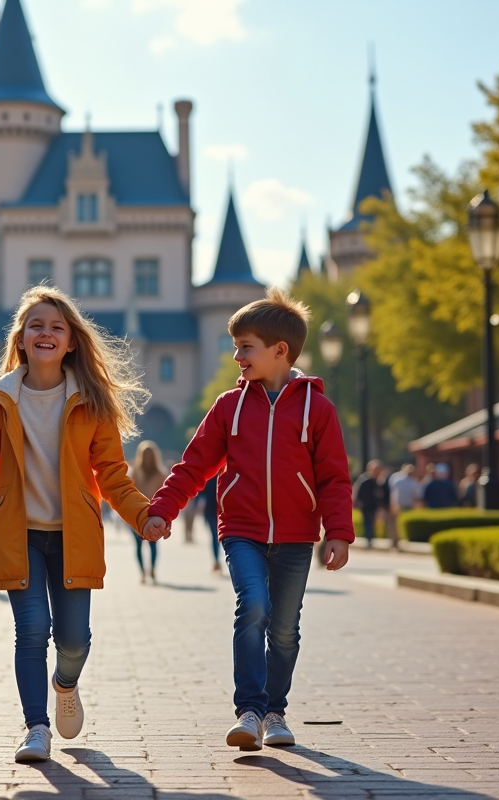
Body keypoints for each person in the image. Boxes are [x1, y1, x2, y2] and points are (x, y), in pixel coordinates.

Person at [0, 285, 167, 764]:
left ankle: (66, 683)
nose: (46, 333)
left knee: (74, 641)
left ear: (72, 341)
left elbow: (112, 474)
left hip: (74, 534)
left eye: (57, 326)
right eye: (35, 324)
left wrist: (144, 514)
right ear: (20, 339)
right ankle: (36, 727)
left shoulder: (90, 401)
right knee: (32, 630)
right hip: (20, 534)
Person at [144, 287, 353, 753]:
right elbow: (194, 464)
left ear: (280, 351)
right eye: (235, 346)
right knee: (253, 606)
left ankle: (276, 711)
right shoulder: (228, 406)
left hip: (298, 537)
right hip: (242, 532)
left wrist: (338, 532)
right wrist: (162, 508)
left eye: (245, 347)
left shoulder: (318, 409)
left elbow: (335, 477)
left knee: (284, 629)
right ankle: (250, 711)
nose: (236, 355)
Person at [130, 440, 166, 584]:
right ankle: (142, 572)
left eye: (150, 455)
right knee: (138, 545)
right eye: (145, 455)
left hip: (155, 513)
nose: (148, 458)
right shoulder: (135, 473)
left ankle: (152, 570)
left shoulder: (161, 474)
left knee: (153, 543)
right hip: (137, 514)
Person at [353, 460, 387, 548]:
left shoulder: (378, 481)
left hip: (374, 506)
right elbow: (358, 493)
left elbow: (380, 495)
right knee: (368, 522)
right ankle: (369, 539)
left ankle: (371, 538)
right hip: (366, 505)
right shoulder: (364, 480)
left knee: (373, 522)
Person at [199, 474, 223, 572]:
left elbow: (202, 494)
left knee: (215, 537)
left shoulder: (210, 475)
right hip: (217, 510)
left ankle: (217, 561)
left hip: (213, 510)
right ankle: (217, 561)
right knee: (218, 537)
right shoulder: (223, 473)